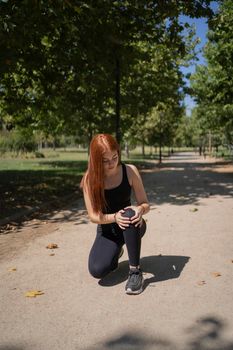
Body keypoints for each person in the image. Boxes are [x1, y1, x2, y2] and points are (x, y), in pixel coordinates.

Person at [81, 134, 150, 294]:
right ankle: (116, 250)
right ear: (96, 160)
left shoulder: (130, 171)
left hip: (132, 225)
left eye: (115, 157)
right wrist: (114, 217)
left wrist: (139, 209)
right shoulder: (89, 179)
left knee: (129, 214)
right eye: (105, 160)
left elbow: (145, 203)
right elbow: (93, 216)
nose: (112, 163)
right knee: (98, 270)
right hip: (107, 231)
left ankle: (135, 272)